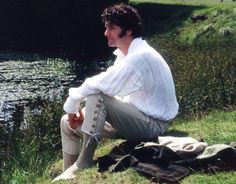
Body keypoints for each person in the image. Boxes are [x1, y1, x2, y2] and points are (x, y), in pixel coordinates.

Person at [52, 3, 179, 182]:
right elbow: (112, 85)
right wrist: (78, 112)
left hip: (154, 126)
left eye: (111, 28)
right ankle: (69, 173)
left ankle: (83, 163)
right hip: (135, 120)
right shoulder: (125, 54)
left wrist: (72, 103)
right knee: (67, 123)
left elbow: (101, 86)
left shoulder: (140, 56)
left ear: (128, 31)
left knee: (98, 95)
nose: (106, 33)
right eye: (106, 28)